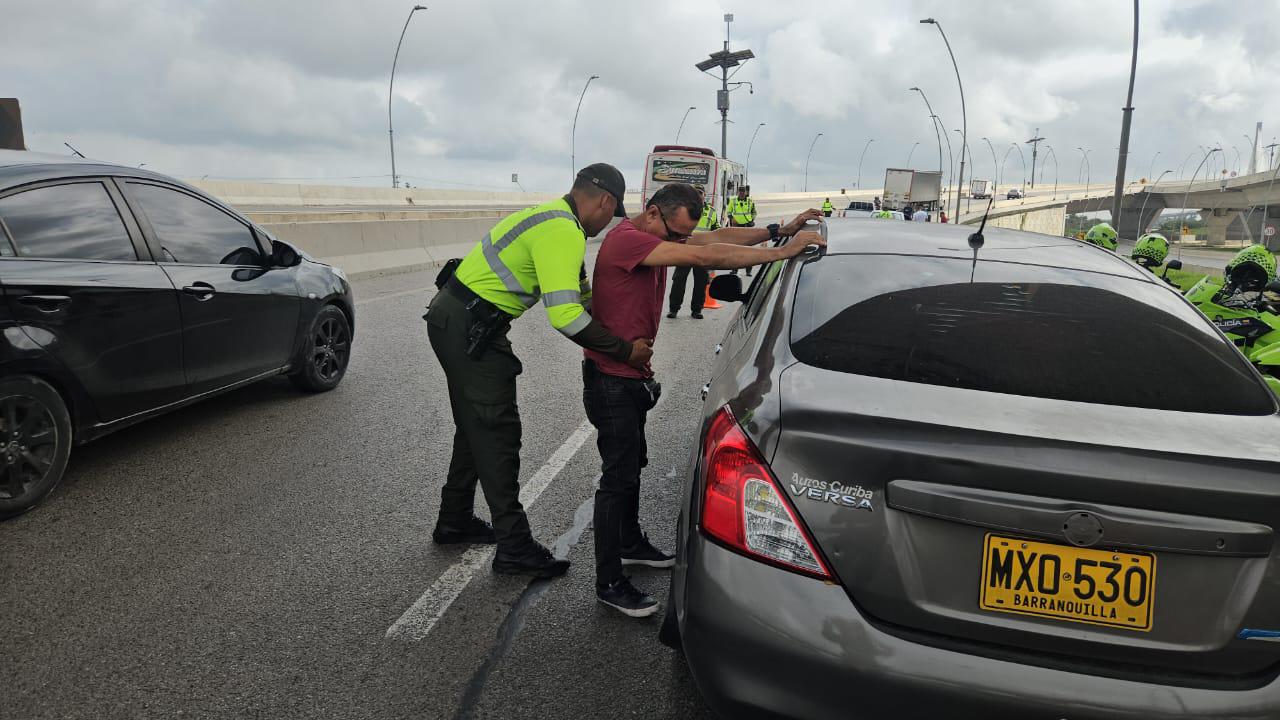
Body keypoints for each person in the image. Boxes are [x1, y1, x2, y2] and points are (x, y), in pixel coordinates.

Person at [584, 183, 823, 617]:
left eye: (682, 235)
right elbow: (703, 256)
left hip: (631, 375)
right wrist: (782, 254)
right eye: (675, 233)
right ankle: (608, 580)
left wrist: (776, 230)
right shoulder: (629, 241)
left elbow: (714, 239)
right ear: (652, 214)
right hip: (611, 379)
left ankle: (629, 542)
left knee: (632, 465)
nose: (680, 241)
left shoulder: (660, 235)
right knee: (616, 479)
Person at [425, 163, 653, 579]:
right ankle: (514, 547)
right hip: (468, 327)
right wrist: (624, 351)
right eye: (612, 213)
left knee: (476, 425)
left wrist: (612, 316)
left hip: (458, 319)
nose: (608, 225)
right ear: (604, 201)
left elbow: (581, 294)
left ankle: (454, 518)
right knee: (497, 431)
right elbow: (565, 316)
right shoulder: (563, 231)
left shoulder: (554, 217)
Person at [667, 188, 717, 319]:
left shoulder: (711, 212)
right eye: (696, 193)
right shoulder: (683, 210)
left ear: (705, 195)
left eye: (701, 193)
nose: (699, 196)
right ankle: (674, 309)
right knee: (678, 280)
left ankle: (697, 310)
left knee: (701, 282)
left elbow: (715, 231)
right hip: (685, 250)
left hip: (703, 252)